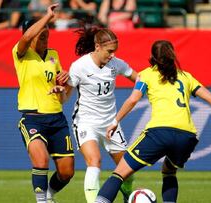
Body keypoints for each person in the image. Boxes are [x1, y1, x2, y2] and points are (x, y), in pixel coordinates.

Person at [94, 40, 211, 203]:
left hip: (159, 132)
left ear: (152, 57)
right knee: (168, 171)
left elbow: (133, 100)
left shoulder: (146, 74)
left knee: (119, 173)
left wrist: (115, 121)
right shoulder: (186, 76)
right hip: (187, 136)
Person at [65, 26, 138, 203]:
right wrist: (60, 89)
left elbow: (140, 79)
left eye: (115, 51)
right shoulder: (79, 67)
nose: (112, 55)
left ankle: (127, 195)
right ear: (97, 46)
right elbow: (64, 97)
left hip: (110, 123)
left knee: (127, 171)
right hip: (85, 122)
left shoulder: (116, 64)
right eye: (109, 51)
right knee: (94, 161)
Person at [12, 4, 75, 203]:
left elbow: (64, 94)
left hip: (57, 119)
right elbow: (25, 38)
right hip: (33, 119)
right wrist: (47, 17)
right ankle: (41, 200)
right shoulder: (21, 53)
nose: (46, 37)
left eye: (48, 34)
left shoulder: (53, 55)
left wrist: (66, 84)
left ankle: (48, 194)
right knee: (41, 160)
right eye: (41, 34)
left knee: (67, 172)